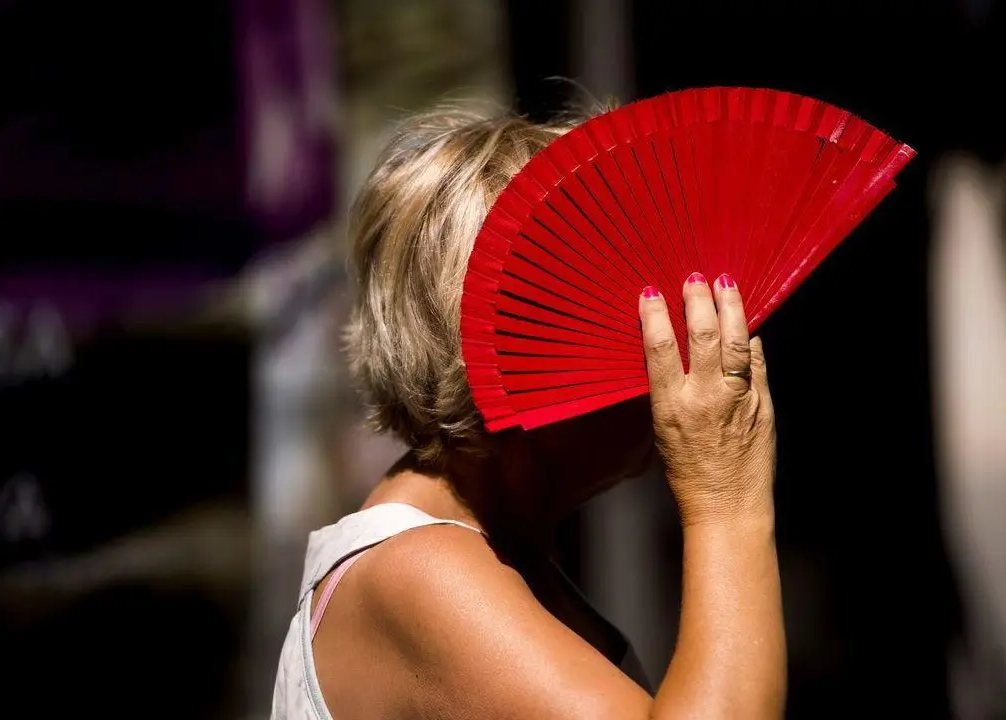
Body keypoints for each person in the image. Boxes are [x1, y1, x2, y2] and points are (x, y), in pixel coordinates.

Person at [271, 106, 785, 719]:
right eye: (645, 327)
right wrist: (727, 502)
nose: (672, 359)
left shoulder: (495, 549)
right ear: (534, 366)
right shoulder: (420, 572)